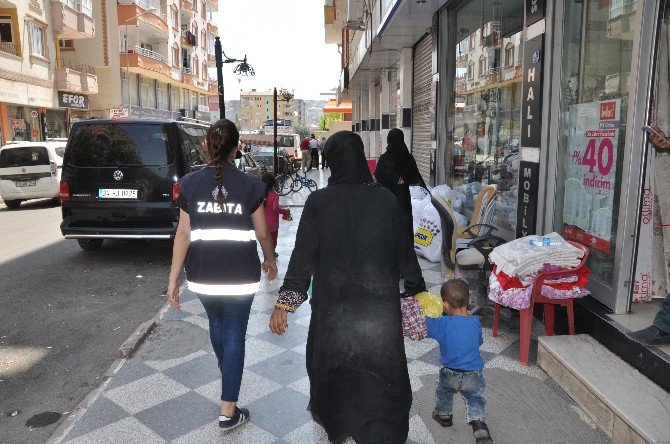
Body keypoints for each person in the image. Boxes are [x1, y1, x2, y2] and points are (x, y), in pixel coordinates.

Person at [269, 131, 425, 443]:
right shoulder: (386, 200)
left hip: (334, 314)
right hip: (379, 315)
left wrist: (284, 305)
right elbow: (404, 252)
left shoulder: (319, 202)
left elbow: (302, 260)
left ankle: (341, 427)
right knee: (381, 375)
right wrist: (416, 288)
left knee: (336, 373)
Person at [166, 119, 278, 431]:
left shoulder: (189, 184)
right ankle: (228, 410)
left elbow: (183, 235)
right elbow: (263, 232)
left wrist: (173, 279)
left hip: (202, 274)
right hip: (240, 274)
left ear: (206, 145)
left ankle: (228, 374)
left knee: (218, 325)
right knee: (233, 335)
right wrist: (270, 260)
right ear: (237, 147)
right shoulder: (250, 185)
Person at [427, 279, 492, 444]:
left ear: (445, 305)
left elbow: (423, 327)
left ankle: (444, 416)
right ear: (469, 300)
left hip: (449, 372)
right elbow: (478, 343)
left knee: (443, 392)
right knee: (475, 398)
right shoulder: (475, 322)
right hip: (473, 374)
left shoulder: (442, 323)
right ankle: (479, 424)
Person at [374, 128, 428, 240]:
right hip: (403, 199)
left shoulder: (385, 159)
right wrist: (402, 180)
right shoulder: (408, 158)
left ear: (388, 141)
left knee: (389, 229)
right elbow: (415, 178)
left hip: (387, 200)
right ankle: (405, 253)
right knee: (404, 229)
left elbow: (377, 179)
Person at [260, 172, 292, 254]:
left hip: (262, 223)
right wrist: (284, 211)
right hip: (273, 224)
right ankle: (272, 254)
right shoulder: (274, 195)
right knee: (273, 241)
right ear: (274, 183)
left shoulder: (260, 194)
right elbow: (275, 208)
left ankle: (266, 258)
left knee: (265, 241)